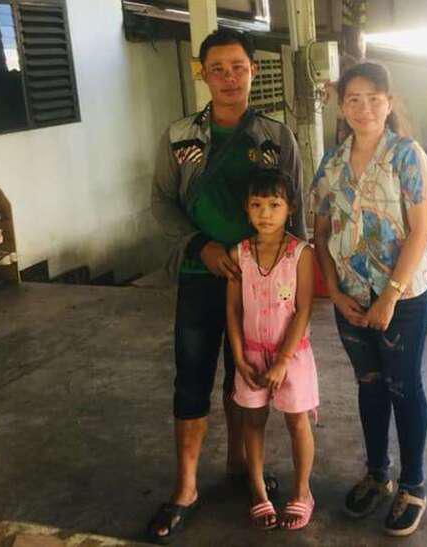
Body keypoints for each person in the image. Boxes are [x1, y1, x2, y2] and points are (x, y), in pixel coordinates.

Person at [148, 29, 305, 543]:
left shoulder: (276, 138)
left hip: (261, 285)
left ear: (253, 71)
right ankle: (185, 489)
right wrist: (201, 246)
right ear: (202, 74)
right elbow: (161, 203)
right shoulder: (179, 137)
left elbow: (297, 210)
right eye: (217, 68)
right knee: (192, 376)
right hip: (201, 275)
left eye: (238, 67)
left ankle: (241, 466)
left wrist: (294, 277)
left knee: (248, 375)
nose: (228, 77)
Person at [311, 62, 427, 537]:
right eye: (353, 99)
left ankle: (412, 484)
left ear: (389, 103)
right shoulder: (331, 163)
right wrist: (333, 291)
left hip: (404, 296)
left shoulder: (406, 155)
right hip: (350, 295)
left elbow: (421, 232)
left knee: (403, 385)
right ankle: (376, 474)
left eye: (373, 98)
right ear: (341, 108)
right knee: (369, 384)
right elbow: (320, 232)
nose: (363, 108)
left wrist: (389, 296)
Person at [226, 169, 319, 531]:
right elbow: (233, 310)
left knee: (297, 420)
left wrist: (282, 361)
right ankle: (258, 491)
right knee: (252, 420)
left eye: (274, 205)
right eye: (256, 205)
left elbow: (304, 308)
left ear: (290, 208)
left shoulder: (301, 254)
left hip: (292, 356)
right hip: (250, 353)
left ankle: (302, 491)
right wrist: (238, 357)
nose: (265, 213)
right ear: (246, 209)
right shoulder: (240, 253)